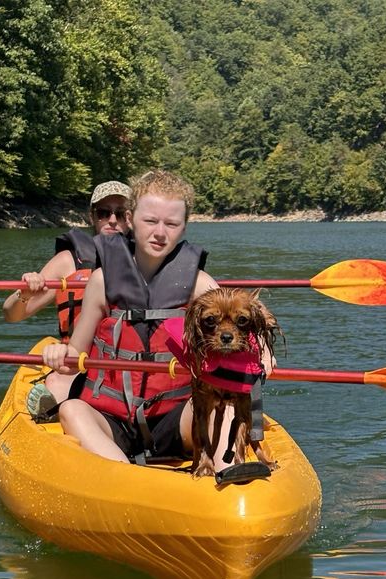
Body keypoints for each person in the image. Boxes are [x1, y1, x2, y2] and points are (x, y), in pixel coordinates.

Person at [41, 168, 272, 472]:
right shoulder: (102, 281)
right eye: (150, 221)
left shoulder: (200, 284)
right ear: (130, 218)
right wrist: (60, 354)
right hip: (111, 419)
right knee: (72, 409)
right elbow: (76, 353)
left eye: (171, 223)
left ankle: (227, 472)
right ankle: (126, 478)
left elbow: (241, 329)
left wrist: (263, 353)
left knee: (224, 403)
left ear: (184, 226)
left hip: (178, 416)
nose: (160, 232)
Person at [2, 180, 132, 333]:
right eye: (104, 213)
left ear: (131, 218)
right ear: (92, 216)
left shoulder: (145, 261)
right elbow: (11, 315)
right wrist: (24, 294)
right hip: (77, 348)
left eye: (121, 214)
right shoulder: (67, 261)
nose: (112, 220)